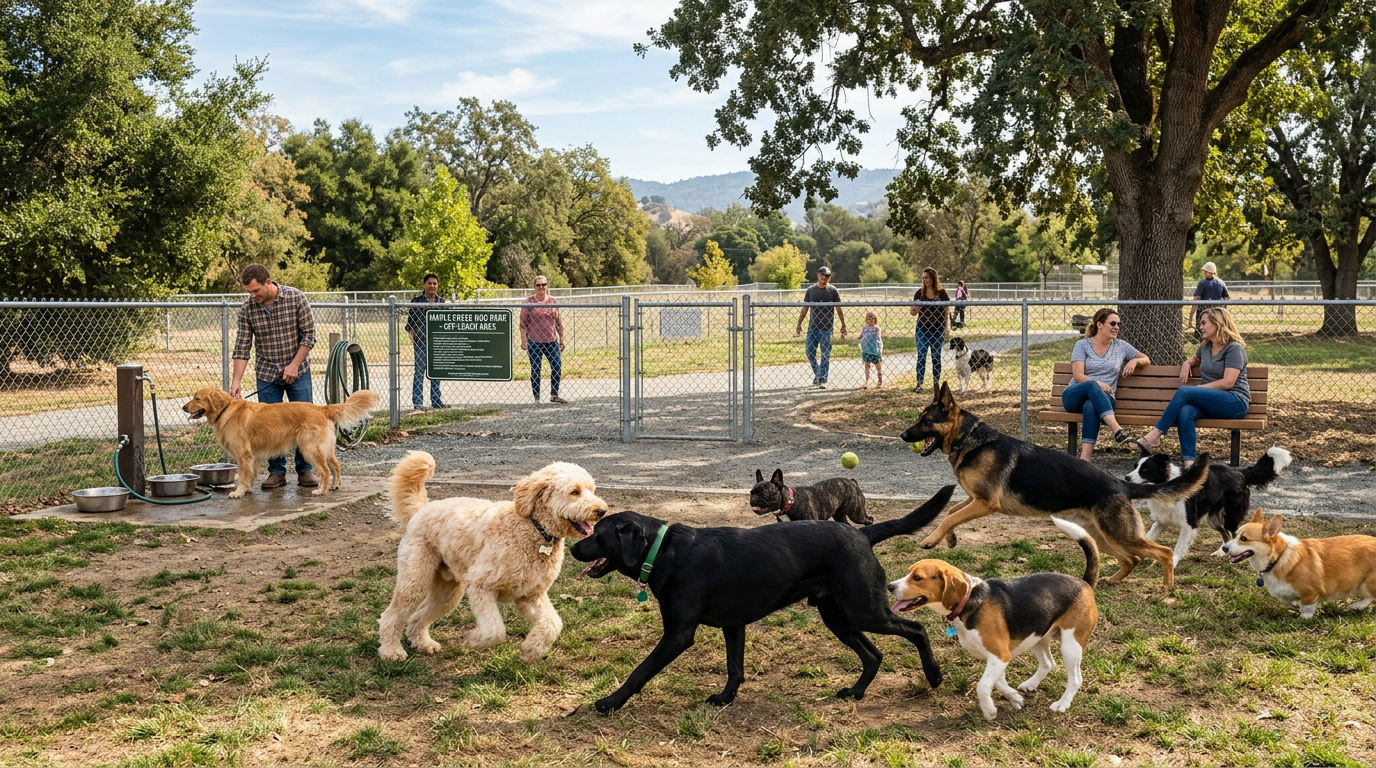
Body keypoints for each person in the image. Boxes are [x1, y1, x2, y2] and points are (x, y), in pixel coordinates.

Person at [229, 263, 319, 489]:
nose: (252, 295)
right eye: (249, 292)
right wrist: (236, 381)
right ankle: (276, 473)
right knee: (268, 427)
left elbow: (309, 335)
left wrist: (294, 365)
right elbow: (242, 347)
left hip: (298, 371)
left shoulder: (296, 298)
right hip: (267, 374)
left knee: (303, 422)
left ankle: (305, 470)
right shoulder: (248, 309)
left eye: (256, 290)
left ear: (268, 282)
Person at [1133, 307, 1250, 469]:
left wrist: (1199, 391)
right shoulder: (1205, 348)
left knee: (1185, 391)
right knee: (1186, 411)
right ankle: (1189, 463)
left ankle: (1155, 435)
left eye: (1203, 323)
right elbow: (1193, 359)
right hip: (1212, 402)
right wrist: (1187, 363)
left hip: (1234, 402)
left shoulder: (1233, 348)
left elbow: (1228, 382)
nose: (1200, 327)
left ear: (1218, 323)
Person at [1062, 308, 1150, 461]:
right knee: (1092, 386)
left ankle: (1085, 459)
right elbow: (1078, 376)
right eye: (1113, 323)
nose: (1116, 327)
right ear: (1099, 325)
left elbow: (1146, 359)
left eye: (1118, 324)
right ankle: (1116, 429)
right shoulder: (1082, 345)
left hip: (1104, 399)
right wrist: (1098, 384)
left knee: (1091, 405)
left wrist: (1134, 360)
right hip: (1075, 395)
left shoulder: (1121, 346)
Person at [794, 266, 847, 388]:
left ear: (830, 277)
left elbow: (839, 308)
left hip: (826, 328)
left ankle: (822, 379)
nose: (824, 278)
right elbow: (805, 308)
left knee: (825, 355)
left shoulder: (832, 290)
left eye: (827, 276)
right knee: (809, 351)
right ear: (818, 275)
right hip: (813, 327)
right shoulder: (811, 290)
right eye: (822, 275)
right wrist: (799, 325)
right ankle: (819, 373)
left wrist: (843, 325)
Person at [519, 276, 567, 404]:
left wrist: (561, 339)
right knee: (536, 369)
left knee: (557, 366)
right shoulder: (528, 302)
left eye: (543, 284)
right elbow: (522, 324)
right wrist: (524, 341)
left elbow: (558, 322)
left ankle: (554, 395)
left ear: (547, 286)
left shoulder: (552, 301)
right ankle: (537, 398)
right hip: (534, 341)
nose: (541, 287)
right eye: (538, 285)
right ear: (534, 287)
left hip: (551, 341)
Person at [404, 273, 446, 410]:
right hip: (420, 342)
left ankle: (436, 400)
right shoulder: (416, 301)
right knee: (419, 372)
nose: (432, 286)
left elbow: (446, 321)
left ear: (437, 285)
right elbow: (410, 323)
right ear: (424, 285)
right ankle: (418, 403)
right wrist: (412, 333)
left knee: (436, 371)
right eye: (429, 283)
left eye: (434, 283)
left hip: (437, 343)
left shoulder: (441, 302)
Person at [909, 268, 949, 392]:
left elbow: (946, 311)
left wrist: (946, 327)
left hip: (937, 330)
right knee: (921, 355)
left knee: (936, 356)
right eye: (923, 278)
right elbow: (912, 312)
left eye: (927, 277)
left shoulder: (941, 293)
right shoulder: (919, 293)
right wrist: (916, 308)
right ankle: (919, 383)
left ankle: (936, 383)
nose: (924, 280)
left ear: (933, 278)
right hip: (922, 329)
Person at [1190, 261, 1229, 339]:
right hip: (1218, 311)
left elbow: (1196, 298)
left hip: (1203, 310)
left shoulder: (1202, 283)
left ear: (1211, 272)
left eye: (1206, 271)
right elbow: (1227, 297)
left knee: (1202, 328)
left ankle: (1200, 337)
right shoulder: (1221, 282)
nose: (1204, 272)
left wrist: (1191, 315)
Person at [859, 311, 884, 389]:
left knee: (878, 366)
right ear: (866, 320)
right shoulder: (865, 328)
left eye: (873, 319)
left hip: (875, 350)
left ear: (875, 320)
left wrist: (878, 336)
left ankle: (879, 380)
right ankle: (867, 382)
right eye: (869, 319)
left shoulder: (876, 328)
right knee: (867, 365)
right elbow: (861, 335)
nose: (871, 320)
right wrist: (858, 338)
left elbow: (879, 336)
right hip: (866, 350)